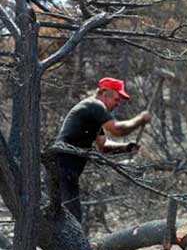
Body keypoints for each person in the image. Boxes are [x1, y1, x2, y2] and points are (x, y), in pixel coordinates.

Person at [53, 77, 152, 223]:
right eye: (117, 99)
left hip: (65, 168)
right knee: (72, 218)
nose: (118, 104)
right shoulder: (95, 105)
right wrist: (140, 119)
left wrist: (126, 147)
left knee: (68, 217)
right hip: (63, 167)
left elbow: (104, 146)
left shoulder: (93, 115)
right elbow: (118, 130)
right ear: (105, 94)